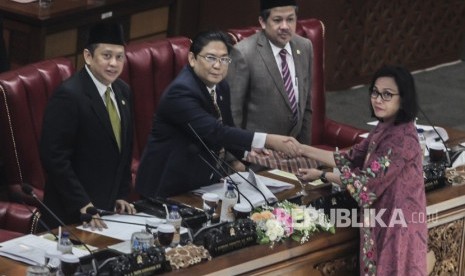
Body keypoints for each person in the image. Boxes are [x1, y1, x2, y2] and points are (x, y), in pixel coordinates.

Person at [135, 30, 300, 198]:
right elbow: (214, 131)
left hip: (201, 182)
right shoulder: (180, 92)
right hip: (166, 186)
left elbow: (226, 127)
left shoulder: (220, 86)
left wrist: (248, 152)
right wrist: (268, 140)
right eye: (211, 58)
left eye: (223, 59)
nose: (217, 65)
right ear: (192, 59)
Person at [297, 65, 427, 275]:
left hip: (396, 230)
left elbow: (365, 184)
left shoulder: (401, 139)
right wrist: (302, 149)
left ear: (403, 99)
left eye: (387, 95)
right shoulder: (385, 126)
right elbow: (349, 158)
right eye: (375, 92)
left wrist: (322, 175)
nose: (377, 99)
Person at [40, 22, 136, 230]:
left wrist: (121, 194)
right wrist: (82, 203)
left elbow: (124, 149)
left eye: (119, 57)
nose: (114, 63)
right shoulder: (69, 95)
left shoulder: (123, 91)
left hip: (108, 211)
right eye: (106, 56)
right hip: (71, 214)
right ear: (88, 56)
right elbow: (55, 158)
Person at [226, 0, 313, 149]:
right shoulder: (243, 53)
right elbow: (233, 112)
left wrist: (305, 150)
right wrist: (235, 158)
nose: (285, 26)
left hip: (294, 154)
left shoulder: (305, 47)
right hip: (257, 156)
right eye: (277, 20)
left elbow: (306, 106)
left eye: (290, 19)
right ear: (263, 22)